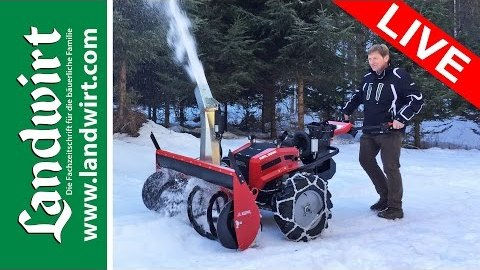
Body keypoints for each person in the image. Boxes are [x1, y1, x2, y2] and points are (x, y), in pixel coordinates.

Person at [343, 44, 424, 220]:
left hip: (390, 131)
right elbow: (358, 96)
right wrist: (347, 111)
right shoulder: (367, 78)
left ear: (386, 58)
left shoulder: (398, 75)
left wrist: (401, 118)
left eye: (376, 58)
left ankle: (395, 208)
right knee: (365, 160)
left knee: (391, 167)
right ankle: (385, 197)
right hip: (369, 129)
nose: (372, 62)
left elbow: (417, 99)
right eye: (370, 59)